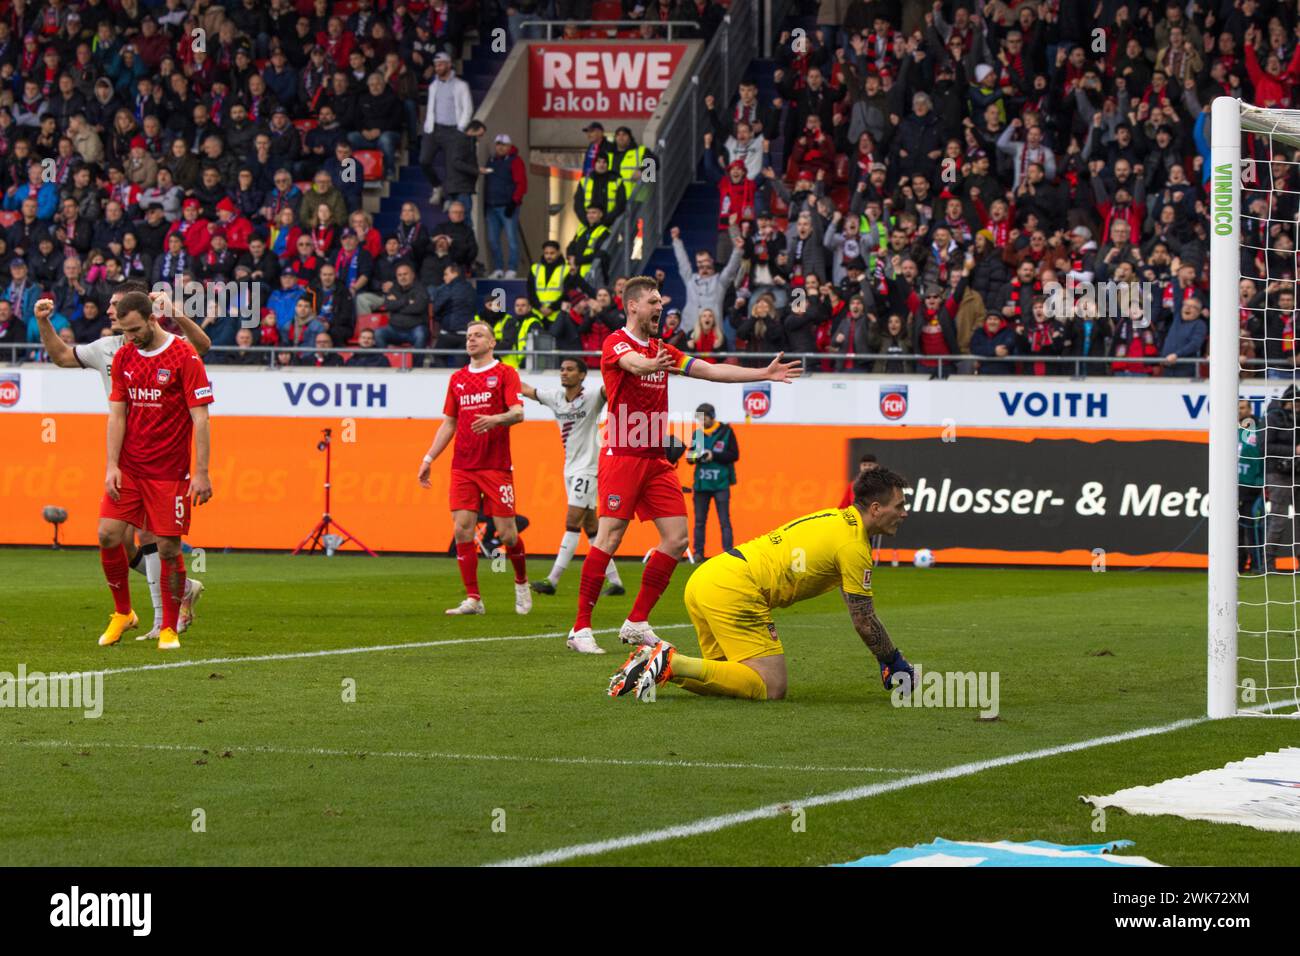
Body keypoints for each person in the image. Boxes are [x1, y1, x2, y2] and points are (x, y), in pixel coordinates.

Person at [566, 275, 802, 654]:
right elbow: (632, 365)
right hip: (623, 455)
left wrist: (763, 374)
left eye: (661, 302)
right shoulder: (617, 343)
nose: (661, 308)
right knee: (609, 537)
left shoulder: (662, 348)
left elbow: (709, 370)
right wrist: (651, 363)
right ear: (633, 306)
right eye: (654, 302)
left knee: (676, 539)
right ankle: (580, 630)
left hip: (656, 459)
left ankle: (637, 622)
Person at [607, 467, 916, 703]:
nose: (904, 513)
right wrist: (892, 660)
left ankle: (655, 662)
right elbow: (863, 619)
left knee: (727, 680)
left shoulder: (834, 519)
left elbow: (855, 604)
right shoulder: (853, 546)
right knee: (771, 686)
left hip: (708, 576)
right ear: (875, 508)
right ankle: (670, 660)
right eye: (899, 505)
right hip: (737, 590)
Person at [33, 281, 209, 641]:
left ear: (144, 311)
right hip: (127, 457)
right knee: (118, 539)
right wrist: (44, 323)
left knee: (150, 538)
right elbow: (62, 357)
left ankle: (163, 621)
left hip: (161, 461)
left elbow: (202, 347)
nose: (111, 312)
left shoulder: (170, 349)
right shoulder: (109, 348)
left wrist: (174, 312)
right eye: (111, 307)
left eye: (117, 306)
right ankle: (175, 593)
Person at [95, 291, 214, 651]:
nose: (129, 336)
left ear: (152, 319)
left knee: (166, 548)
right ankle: (123, 613)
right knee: (107, 535)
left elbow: (202, 418)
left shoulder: (184, 355)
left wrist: (202, 472)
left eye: (134, 329)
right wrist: (111, 465)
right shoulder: (124, 355)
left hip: (169, 473)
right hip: (130, 468)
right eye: (123, 329)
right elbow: (116, 414)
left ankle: (169, 628)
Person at [416, 320, 532, 616]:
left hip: (495, 466)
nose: (471, 340)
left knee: (507, 535)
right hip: (463, 466)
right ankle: (473, 598)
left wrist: (494, 419)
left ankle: (521, 582)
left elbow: (518, 413)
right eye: (468, 336)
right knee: (462, 530)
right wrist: (429, 459)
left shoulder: (505, 373)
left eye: (478, 335)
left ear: (492, 343)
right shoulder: (457, 378)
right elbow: (450, 423)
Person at [520, 358, 625, 628]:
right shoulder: (555, 397)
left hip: (588, 468)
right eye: (562, 370)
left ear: (582, 375)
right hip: (570, 468)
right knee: (591, 527)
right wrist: (501, 377)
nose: (564, 373)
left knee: (572, 521)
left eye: (570, 370)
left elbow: (608, 390)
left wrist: (623, 369)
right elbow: (528, 390)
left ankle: (552, 580)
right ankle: (615, 582)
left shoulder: (592, 396)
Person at [419, 52, 473, 206]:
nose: (438, 67)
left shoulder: (461, 85)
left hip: (452, 130)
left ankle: (450, 200)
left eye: (441, 64)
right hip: (434, 129)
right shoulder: (433, 85)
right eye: (436, 65)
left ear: (449, 65)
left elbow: (467, 109)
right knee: (424, 160)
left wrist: (460, 129)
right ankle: (437, 186)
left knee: (451, 166)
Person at [688, 403, 739, 559]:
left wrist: (713, 455)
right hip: (702, 483)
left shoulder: (726, 431)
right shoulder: (698, 434)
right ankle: (698, 553)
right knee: (699, 521)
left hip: (720, 483)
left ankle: (728, 552)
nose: (701, 421)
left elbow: (734, 455)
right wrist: (693, 456)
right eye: (699, 418)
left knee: (724, 520)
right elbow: (691, 457)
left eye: (704, 418)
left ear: (712, 416)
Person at [1265, 385, 1299, 573]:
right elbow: (1265, 448)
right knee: (1278, 521)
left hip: (1297, 472)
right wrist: (1293, 451)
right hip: (1278, 474)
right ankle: (1268, 564)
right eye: (1296, 402)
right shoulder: (1273, 418)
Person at [1239, 398, 1265, 574]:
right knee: (1235, 528)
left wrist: (1259, 483)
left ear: (1250, 409)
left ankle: (1257, 563)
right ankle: (1238, 563)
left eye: (1243, 407)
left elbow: (1260, 458)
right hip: (1233, 486)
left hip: (1251, 487)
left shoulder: (1257, 429)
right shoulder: (1229, 429)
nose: (1240, 411)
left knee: (1252, 527)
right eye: (1238, 408)